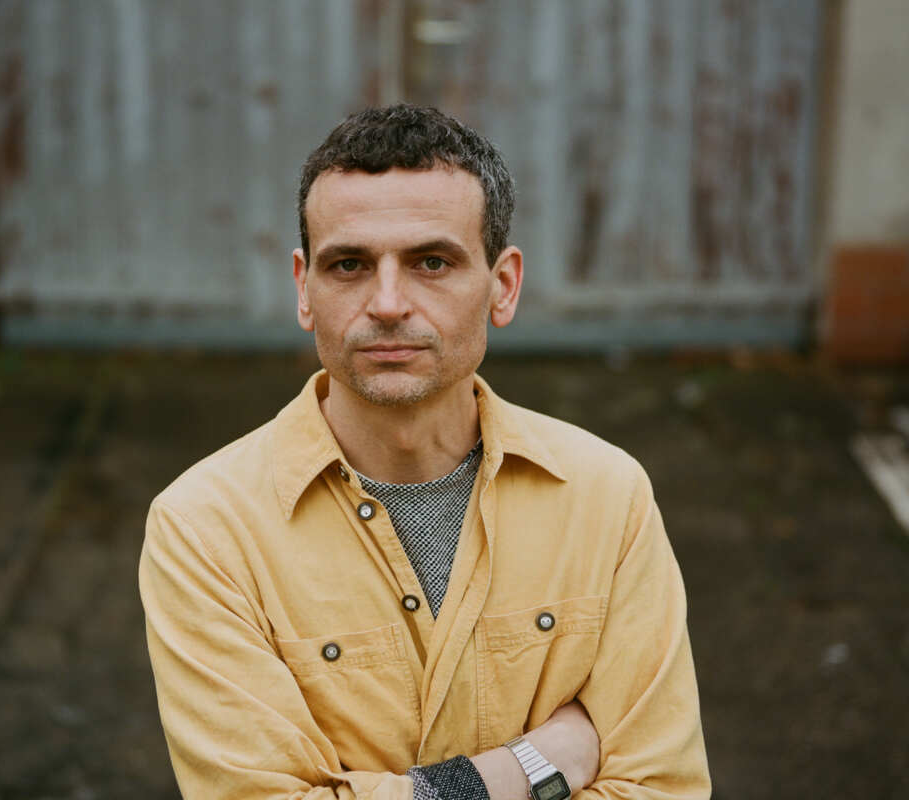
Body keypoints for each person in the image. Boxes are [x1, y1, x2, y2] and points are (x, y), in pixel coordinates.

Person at [140, 104, 710, 800]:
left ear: (503, 286)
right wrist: (536, 764)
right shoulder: (204, 529)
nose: (387, 303)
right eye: (349, 264)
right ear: (304, 289)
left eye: (431, 262)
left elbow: (662, 789)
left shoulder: (607, 496)